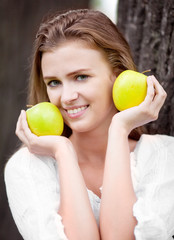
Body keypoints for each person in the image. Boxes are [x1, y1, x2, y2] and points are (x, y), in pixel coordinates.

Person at [4, 8, 174, 240]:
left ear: (118, 75)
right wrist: (63, 152)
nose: (66, 97)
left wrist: (119, 129)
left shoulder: (163, 156)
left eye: (81, 77)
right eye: (54, 82)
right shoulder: (28, 168)